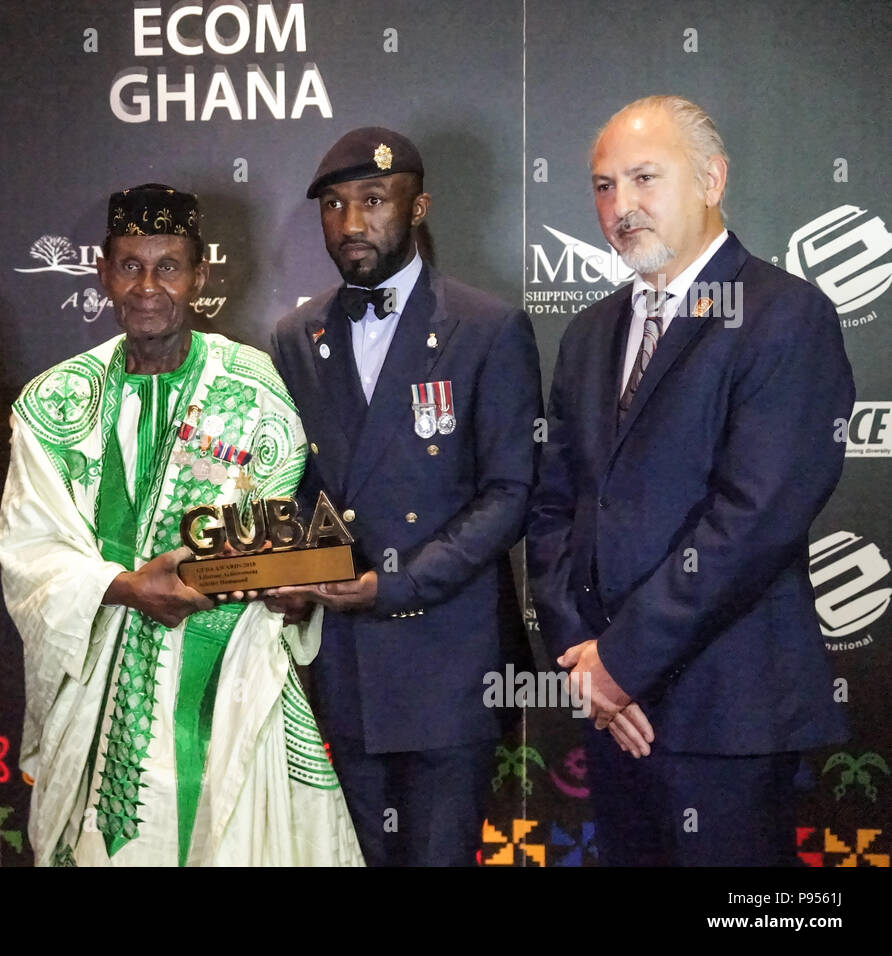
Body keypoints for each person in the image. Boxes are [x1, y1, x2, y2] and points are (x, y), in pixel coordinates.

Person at [526, 95, 854, 866]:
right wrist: (585, 662)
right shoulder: (588, 334)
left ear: (712, 178)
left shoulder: (785, 316)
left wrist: (622, 663)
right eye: (604, 186)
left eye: (645, 178)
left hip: (727, 718)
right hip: (611, 716)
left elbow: (755, 521)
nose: (621, 205)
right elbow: (553, 509)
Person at [0, 183, 362, 866]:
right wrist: (128, 587)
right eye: (129, 265)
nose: (147, 286)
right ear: (102, 272)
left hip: (226, 679)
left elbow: (280, 534)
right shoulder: (54, 400)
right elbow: (29, 549)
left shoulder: (253, 388)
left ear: (198, 274)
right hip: (96, 694)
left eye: (168, 266)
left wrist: (292, 589)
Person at [268, 128, 542, 866]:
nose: (352, 222)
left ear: (417, 206)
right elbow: (294, 486)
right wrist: (286, 572)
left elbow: (511, 493)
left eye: (373, 200)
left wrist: (399, 583)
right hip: (343, 665)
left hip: (448, 657)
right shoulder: (295, 337)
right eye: (334, 204)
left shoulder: (488, 328)